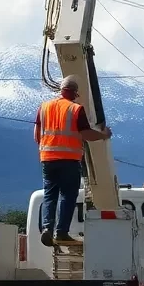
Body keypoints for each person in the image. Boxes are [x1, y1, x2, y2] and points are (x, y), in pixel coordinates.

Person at [34, 75, 112, 247]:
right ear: (75, 93)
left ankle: (47, 228)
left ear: (60, 90)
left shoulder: (44, 107)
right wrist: (103, 135)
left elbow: (36, 135)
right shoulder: (76, 109)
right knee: (68, 196)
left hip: (47, 159)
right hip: (69, 160)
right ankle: (61, 232)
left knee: (50, 194)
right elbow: (86, 135)